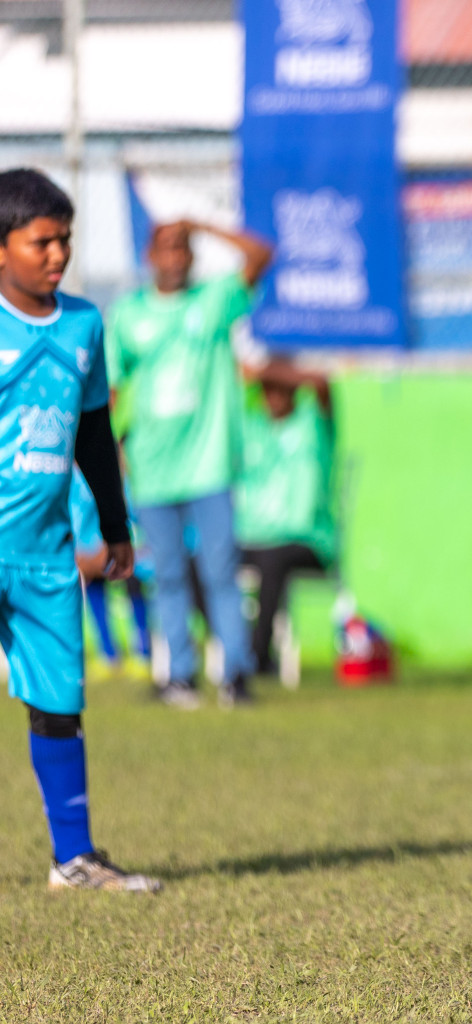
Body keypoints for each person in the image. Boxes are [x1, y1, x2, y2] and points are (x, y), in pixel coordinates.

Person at [0, 168, 160, 891]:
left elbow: (93, 433)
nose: (58, 253)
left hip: (44, 557)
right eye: (42, 242)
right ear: (2, 248)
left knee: (60, 704)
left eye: (65, 239)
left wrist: (117, 524)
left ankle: (76, 860)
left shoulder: (84, 325)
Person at [107, 219, 273, 707]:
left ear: (193, 258)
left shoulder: (214, 301)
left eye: (184, 249)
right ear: (149, 256)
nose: (175, 258)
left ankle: (235, 675)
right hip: (153, 468)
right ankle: (179, 676)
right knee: (168, 576)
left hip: (209, 465)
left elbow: (261, 254)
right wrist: (108, 452)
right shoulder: (128, 315)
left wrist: (201, 224)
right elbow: (112, 388)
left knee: (221, 572)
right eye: (166, 249)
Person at [235, 358, 336, 678]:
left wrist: (264, 371)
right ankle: (235, 641)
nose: (273, 398)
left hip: (307, 540)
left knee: (272, 559)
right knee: (202, 559)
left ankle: (258, 657)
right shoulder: (252, 427)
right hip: (252, 537)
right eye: (267, 391)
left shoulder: (312, 424)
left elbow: (322, 383)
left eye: (281, 390)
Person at [69, 468, 151, 679]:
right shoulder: (74, 479)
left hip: (118, 545)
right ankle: (108, 652)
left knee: (133, 586)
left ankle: (143, 651)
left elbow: (131, 513)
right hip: (87, 550)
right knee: (96, 590)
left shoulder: (119, 479)